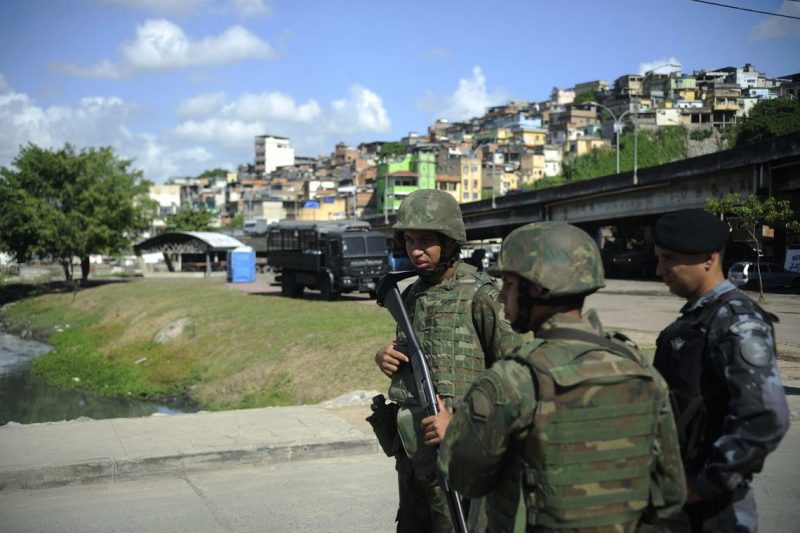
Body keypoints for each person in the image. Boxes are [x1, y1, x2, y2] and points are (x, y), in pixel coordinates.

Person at [437, 221, 687, 532]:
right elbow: (671, 494)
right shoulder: (641, 371)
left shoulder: (512, 380)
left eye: (510, 286)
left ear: (538, 289)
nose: (501, 298)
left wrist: (452, 432)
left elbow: (467, 479)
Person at [374, 188, 523, 533]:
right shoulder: (411, 293)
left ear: (451, 240)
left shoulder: (482, 294)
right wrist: (385, 355)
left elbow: (515, 379)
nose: (415, 250)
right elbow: (414, 347)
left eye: (426, 240)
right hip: (413, 451)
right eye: (409, 240)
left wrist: (462, 426)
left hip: (460, 447)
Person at [652, 208, 790, 532]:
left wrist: (705, 485)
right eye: (659, 258)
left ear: (708, 259)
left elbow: (767, 415)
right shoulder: (697, 318)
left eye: (669, 258)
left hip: (716, 513)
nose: (660, 270)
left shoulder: (735, 320)